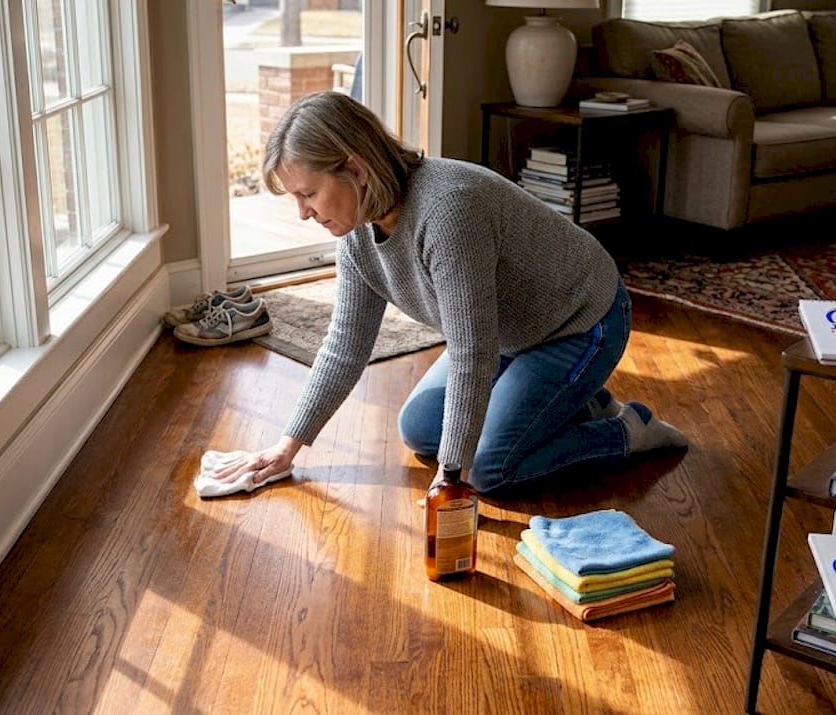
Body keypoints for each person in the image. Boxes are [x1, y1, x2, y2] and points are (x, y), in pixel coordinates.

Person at [212, 91, 686, 494]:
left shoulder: (447, 210)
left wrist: (451, 478)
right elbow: (343, 349)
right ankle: (580, 402)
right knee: (418, 428)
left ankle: (627, 430)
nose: (303, 213)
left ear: (355, 170)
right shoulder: (357, 234)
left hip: (581, 321)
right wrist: (286, 446)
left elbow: (471, 353)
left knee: (487, 468)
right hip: (509, 333)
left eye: (308, 194)